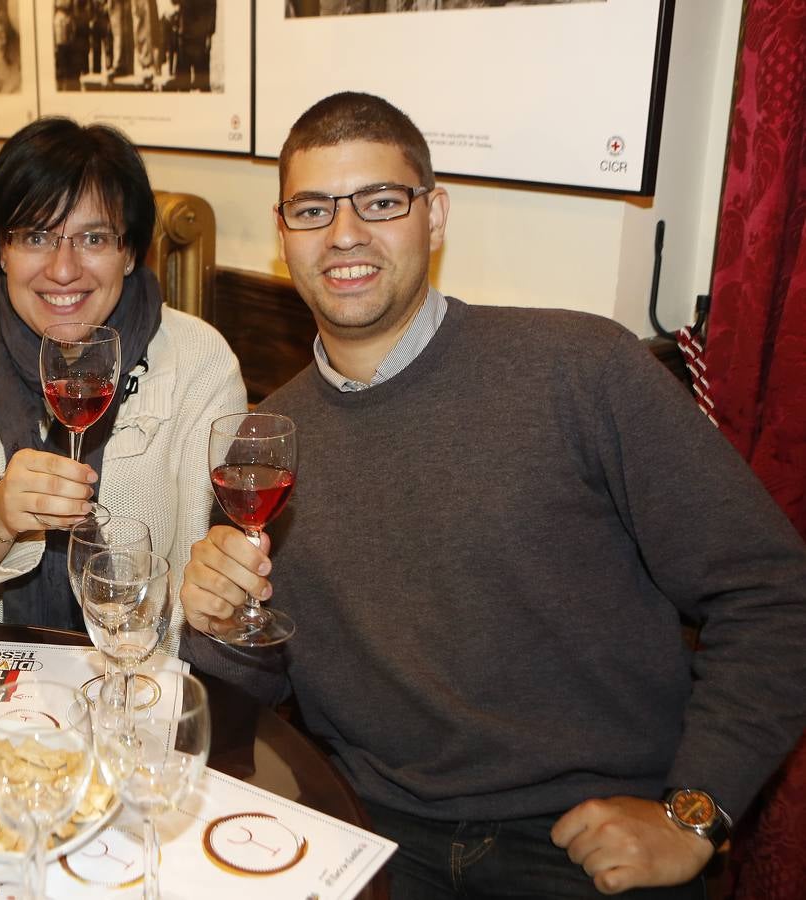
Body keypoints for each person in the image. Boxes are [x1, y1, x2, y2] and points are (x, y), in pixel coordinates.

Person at [180, 91, 806, 897]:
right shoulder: (262, 447)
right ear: (284, 235)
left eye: (379, 201)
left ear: (433, 217)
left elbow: (774, 593)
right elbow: (255, 693)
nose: (343, 234)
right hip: (371, 831)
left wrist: (694, 813)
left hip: (580, 840)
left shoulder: (577, 370)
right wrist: (223, 629)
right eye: (312, 209)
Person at [0, 116, 244, 647]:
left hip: (132, 687)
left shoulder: (199, 363)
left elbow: (197, 600)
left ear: (131, 251)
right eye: (36, 236)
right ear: (1, 249)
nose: (64, 269)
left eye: (93, 237)